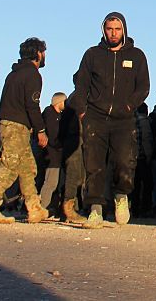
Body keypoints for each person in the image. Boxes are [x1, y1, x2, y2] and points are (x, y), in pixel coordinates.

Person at [70, 12, 151, 228]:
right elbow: (81, 85)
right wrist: (82, 111)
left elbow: (143, 87)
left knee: (124, 162)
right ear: (103, 30)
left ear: (124, 29)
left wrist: (129, 105)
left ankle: (121, 197)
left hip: (124, 119)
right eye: (109, 29)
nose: (113, 33)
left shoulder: (137, 56)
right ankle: (95, 209)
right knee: (94, 164)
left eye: (117, 29)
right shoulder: (92, 55)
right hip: (95, 117)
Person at [0, 38, 50, 224]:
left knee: (28, 168)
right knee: (10, 165)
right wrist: (41, 130)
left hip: (12, 125)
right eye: (43, 52)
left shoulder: (14, 74)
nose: (44, 56)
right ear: (37, 53)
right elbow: (32, 105)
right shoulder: (32, 75)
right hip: (16, 127)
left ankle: (34, 207)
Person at [38, 92, 67, 212]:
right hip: (52, 154)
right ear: (59, 102)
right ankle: (43, 207)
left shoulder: (59, 116)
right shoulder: (50, 114)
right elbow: (53, 134)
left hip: (58, 155)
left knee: (57, 183)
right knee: (50, 182)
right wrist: (60, 145)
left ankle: (52, 207)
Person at [59, 91, 85, 222]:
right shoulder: (79, 98)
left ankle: (67, 209)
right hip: (76, 139)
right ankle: (69, 208)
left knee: (74, 176)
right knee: (74, 175)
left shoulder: (71, 99)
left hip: (71, 140)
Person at [130, 102, 155, 217]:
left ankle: (134, 208)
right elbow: (146, 139)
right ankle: (145, 208)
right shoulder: (144, 121)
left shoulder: (131, 121)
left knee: (135, 185)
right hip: (142, 157)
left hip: (132, 157)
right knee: (147, 184)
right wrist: (149, 155)